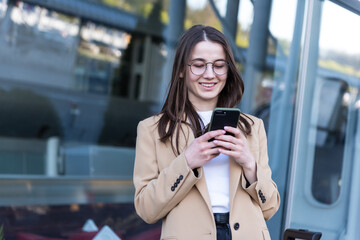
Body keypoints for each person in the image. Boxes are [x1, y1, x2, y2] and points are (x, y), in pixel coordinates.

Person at [133, 25, 280, 240]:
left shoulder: (252, 127)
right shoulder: (152, 130)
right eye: (199, 65)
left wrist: (250, 165)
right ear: (182, 70)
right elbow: (146, 210)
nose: (210, 74)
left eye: (219, 65)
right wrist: (187, 162)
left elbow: (270, 208)